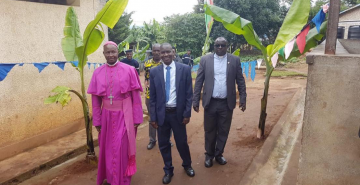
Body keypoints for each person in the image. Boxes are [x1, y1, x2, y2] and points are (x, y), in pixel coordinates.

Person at [88, 41, 143, 185]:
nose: (111, 55)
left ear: (118, 52)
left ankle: (123, 179)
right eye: (108, 52)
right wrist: (97, 121)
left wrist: (137, 117)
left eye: (113, 52)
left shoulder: (130, 70)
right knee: (108, 149)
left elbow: (136, 97)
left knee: (122, 148)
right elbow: (95, 101)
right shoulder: (97, 72)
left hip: (125, 116)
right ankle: (112, 177)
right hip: (106, 116)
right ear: (104, 54)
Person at [193, 37, 247, 168]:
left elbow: (240, 80)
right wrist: (195, 100)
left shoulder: (234, 60)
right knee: (210, 130)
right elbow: (199, 81)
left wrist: (243, 99)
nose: (220, 48)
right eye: (217, 45)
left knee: (224, 130)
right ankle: (209, 155)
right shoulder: (205, 60)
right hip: (210, 102)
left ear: (227, 46)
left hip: (226, 103)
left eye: (223, 45)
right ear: (214, 46)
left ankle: (219, 154)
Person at [149, 43, 195, 184]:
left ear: (173, 52)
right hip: (162, 115)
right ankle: (168, 170)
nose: (165, 55)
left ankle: (187, 165)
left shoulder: (185, 69)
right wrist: (153, 117)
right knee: (163, 144)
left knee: (181, 142)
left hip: (178, 114)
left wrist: (187, 113)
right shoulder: (154, 72)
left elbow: (189, 94)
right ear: (159, 54)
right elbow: (153, 97)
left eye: (168, 52)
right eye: (162, 52)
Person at [144, 44, 173, 150]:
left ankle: (167, 140)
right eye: (154, 50)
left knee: (166, 117)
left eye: (158, 50)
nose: (156, 52)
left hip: (164, 96)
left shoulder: (166, 63)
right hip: (150, 95)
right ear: (152, 51)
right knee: (152, 118)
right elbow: (146, 79)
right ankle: (152, 140)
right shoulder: (147, 64)